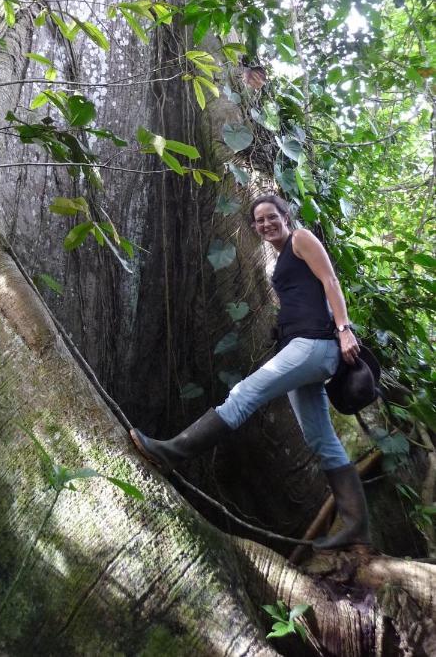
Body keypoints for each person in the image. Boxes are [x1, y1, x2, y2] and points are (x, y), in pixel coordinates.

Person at [129, 194, 370, 550]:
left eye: (271, 217)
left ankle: (170, 454)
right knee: (321, 440)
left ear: (285, 216)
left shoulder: (301, 239)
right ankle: (356, 529)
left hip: (316, 345)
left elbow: (330, 281)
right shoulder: (278, 261)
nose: (265, 224)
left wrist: (344, 328)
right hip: (301, 350)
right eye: (259, 221)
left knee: (244, 394)